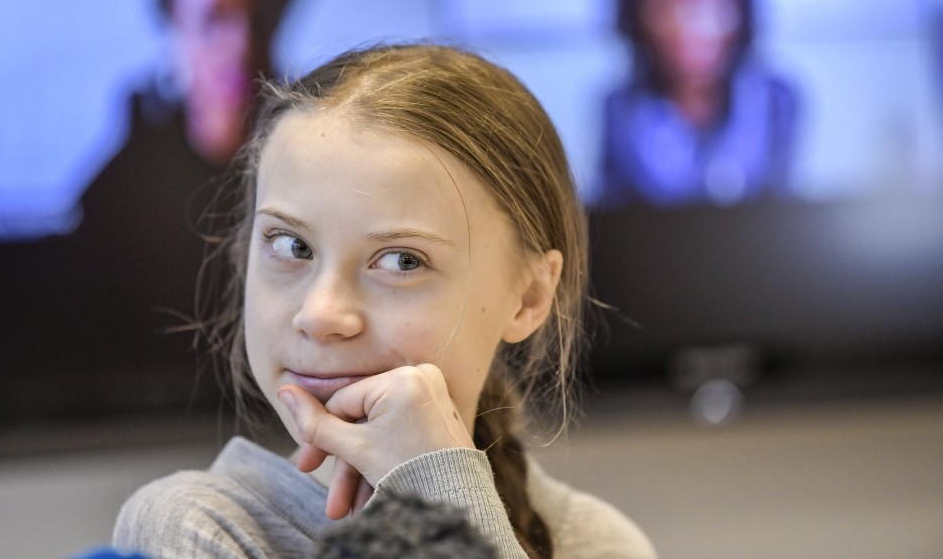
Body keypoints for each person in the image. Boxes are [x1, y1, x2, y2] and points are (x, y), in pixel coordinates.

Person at [112, 43, 656, 559]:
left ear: (529, 297)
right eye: (291, 246)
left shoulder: (597, 542)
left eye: (402, 261)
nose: (321, 314)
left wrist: (439, 488)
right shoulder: (190, 525)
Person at [69, 0, 298, 394]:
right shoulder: (113, 197)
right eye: (214, 18)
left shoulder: (323, 174)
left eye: (257, 19)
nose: (239, 44)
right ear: (174, 26)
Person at [597, 0, 799, 208]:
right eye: (665, 4)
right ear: (634, 14)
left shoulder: (776, 101)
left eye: (711, 1)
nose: (689, 22)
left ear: (742, 10)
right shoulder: (620, 110)